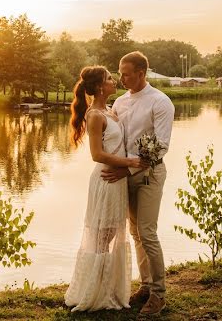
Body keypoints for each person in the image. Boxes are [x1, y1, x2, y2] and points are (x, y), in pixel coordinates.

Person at [65, 65, 148, 312]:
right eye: (110, 78)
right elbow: (97, 154)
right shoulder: (95, 116)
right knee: (102, 237)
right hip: (105, 179)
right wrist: (131, 162)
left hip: (117, 181)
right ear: (101, 86)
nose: (115, 81)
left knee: (111, 233)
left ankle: (108, 289)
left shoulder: (110, 111)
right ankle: (93, 293)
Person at [102, 51, 174, 316]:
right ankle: (145, 286)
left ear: (142, 73)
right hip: (126, 174)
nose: (121, 78)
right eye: (120, 73)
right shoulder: (120, 103)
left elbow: (161, 146)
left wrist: (127, 171)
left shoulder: (160, 102)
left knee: (147, 232)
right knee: (135, 233)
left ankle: (159, 295)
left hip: (150, 175)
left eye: (126, 74)